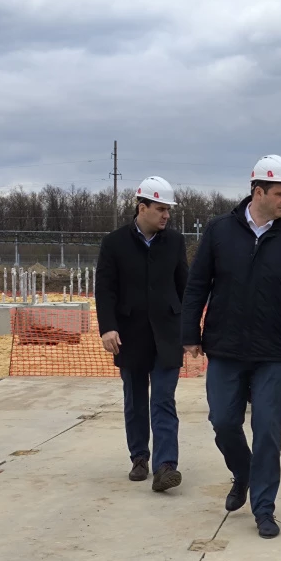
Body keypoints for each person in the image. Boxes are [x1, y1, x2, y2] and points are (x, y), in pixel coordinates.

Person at [181, 155, 281, 540]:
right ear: (258, 191)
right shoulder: (219, 230)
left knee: (268, 430)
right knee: (223, 422)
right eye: (280, 193)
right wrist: (189, 333)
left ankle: (264, 508)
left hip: (272, 352)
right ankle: (243, 472)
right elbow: (197, 285)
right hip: (225, 347)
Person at [95, 176, 188, 492]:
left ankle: (166, 466)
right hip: (129, 334)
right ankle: (139, 457)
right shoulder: (114, 243)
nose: (166, 215)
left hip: (167, 334)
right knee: (135, 399)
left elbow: (184, 287)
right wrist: (107, 327)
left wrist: (189, 330)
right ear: (142, 207)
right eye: (160, 209)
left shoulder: (174, 242)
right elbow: (105, 289)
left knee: (163, 399)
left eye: (168, 210)